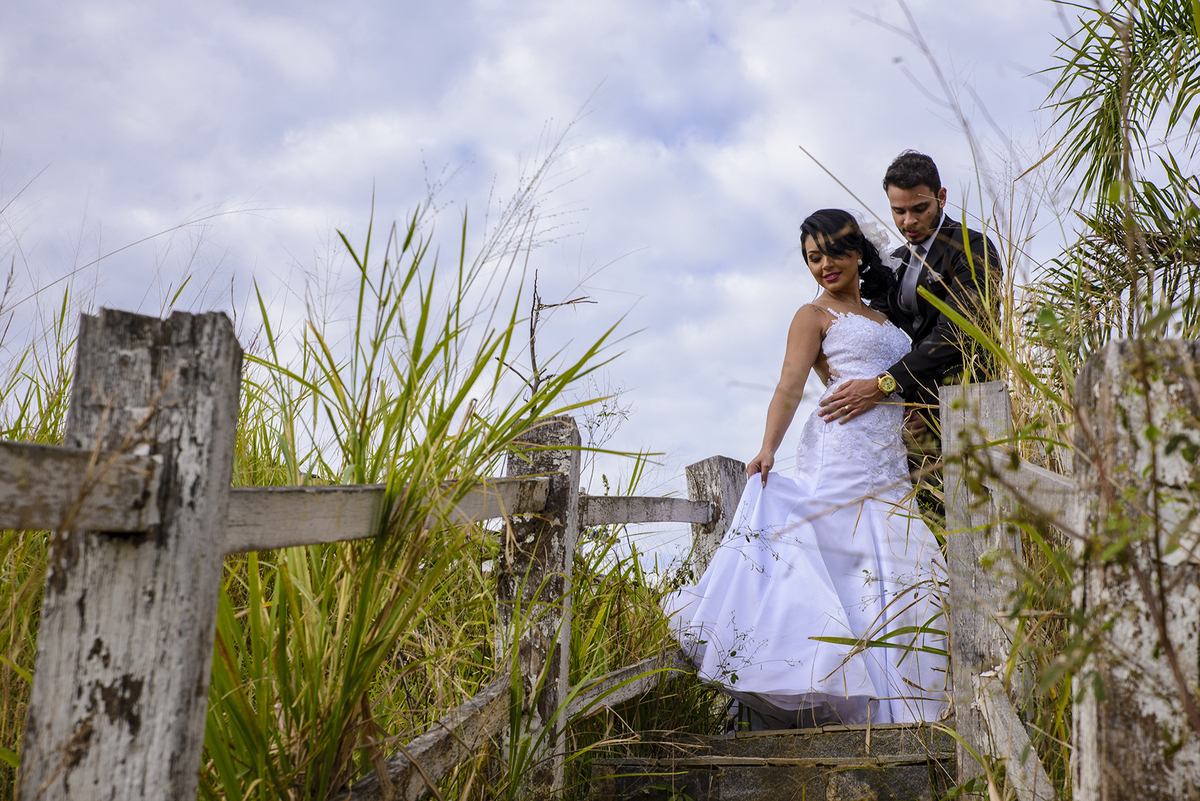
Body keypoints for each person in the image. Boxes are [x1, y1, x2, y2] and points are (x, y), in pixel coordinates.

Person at [666, 209, 949, 729]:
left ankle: (907, 707)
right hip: (840, 447)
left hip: (889, 458)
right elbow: (790, 383)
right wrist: (768, 446)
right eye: (814, 258)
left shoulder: (886, 319)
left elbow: (900, 378)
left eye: (834, 253)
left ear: (858, 252)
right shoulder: (812, 315)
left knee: (901, 563)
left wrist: (907, 415)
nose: (825, 266)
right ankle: (844, 686)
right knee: (844, 557)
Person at [816, 151, 1002, 441]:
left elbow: (957, 331)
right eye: (898, 211)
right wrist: (903, 405)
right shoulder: (895, 261)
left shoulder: (972, 246)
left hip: (969, 401)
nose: (908, 221)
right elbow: (875, 330)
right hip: (910, 414)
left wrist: (886, 385)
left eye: (919, 208)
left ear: (941, 197)